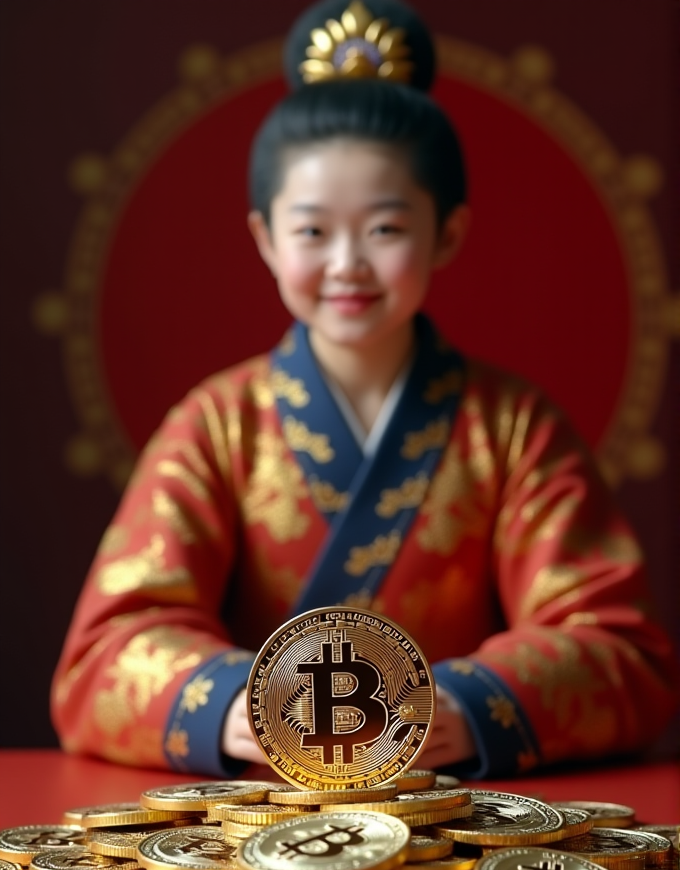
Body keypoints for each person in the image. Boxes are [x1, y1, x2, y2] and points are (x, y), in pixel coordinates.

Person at [51, 0, 678, 779]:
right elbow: (103, 656)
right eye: (313, 231)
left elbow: (620, 648)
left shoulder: (514, 428)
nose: (347, 263)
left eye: (385, 228)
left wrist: (467, 707)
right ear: (266, 240)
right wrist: (236, 706)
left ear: (446, 233)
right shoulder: (216, 425)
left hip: (457, 817)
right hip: (259, 830)